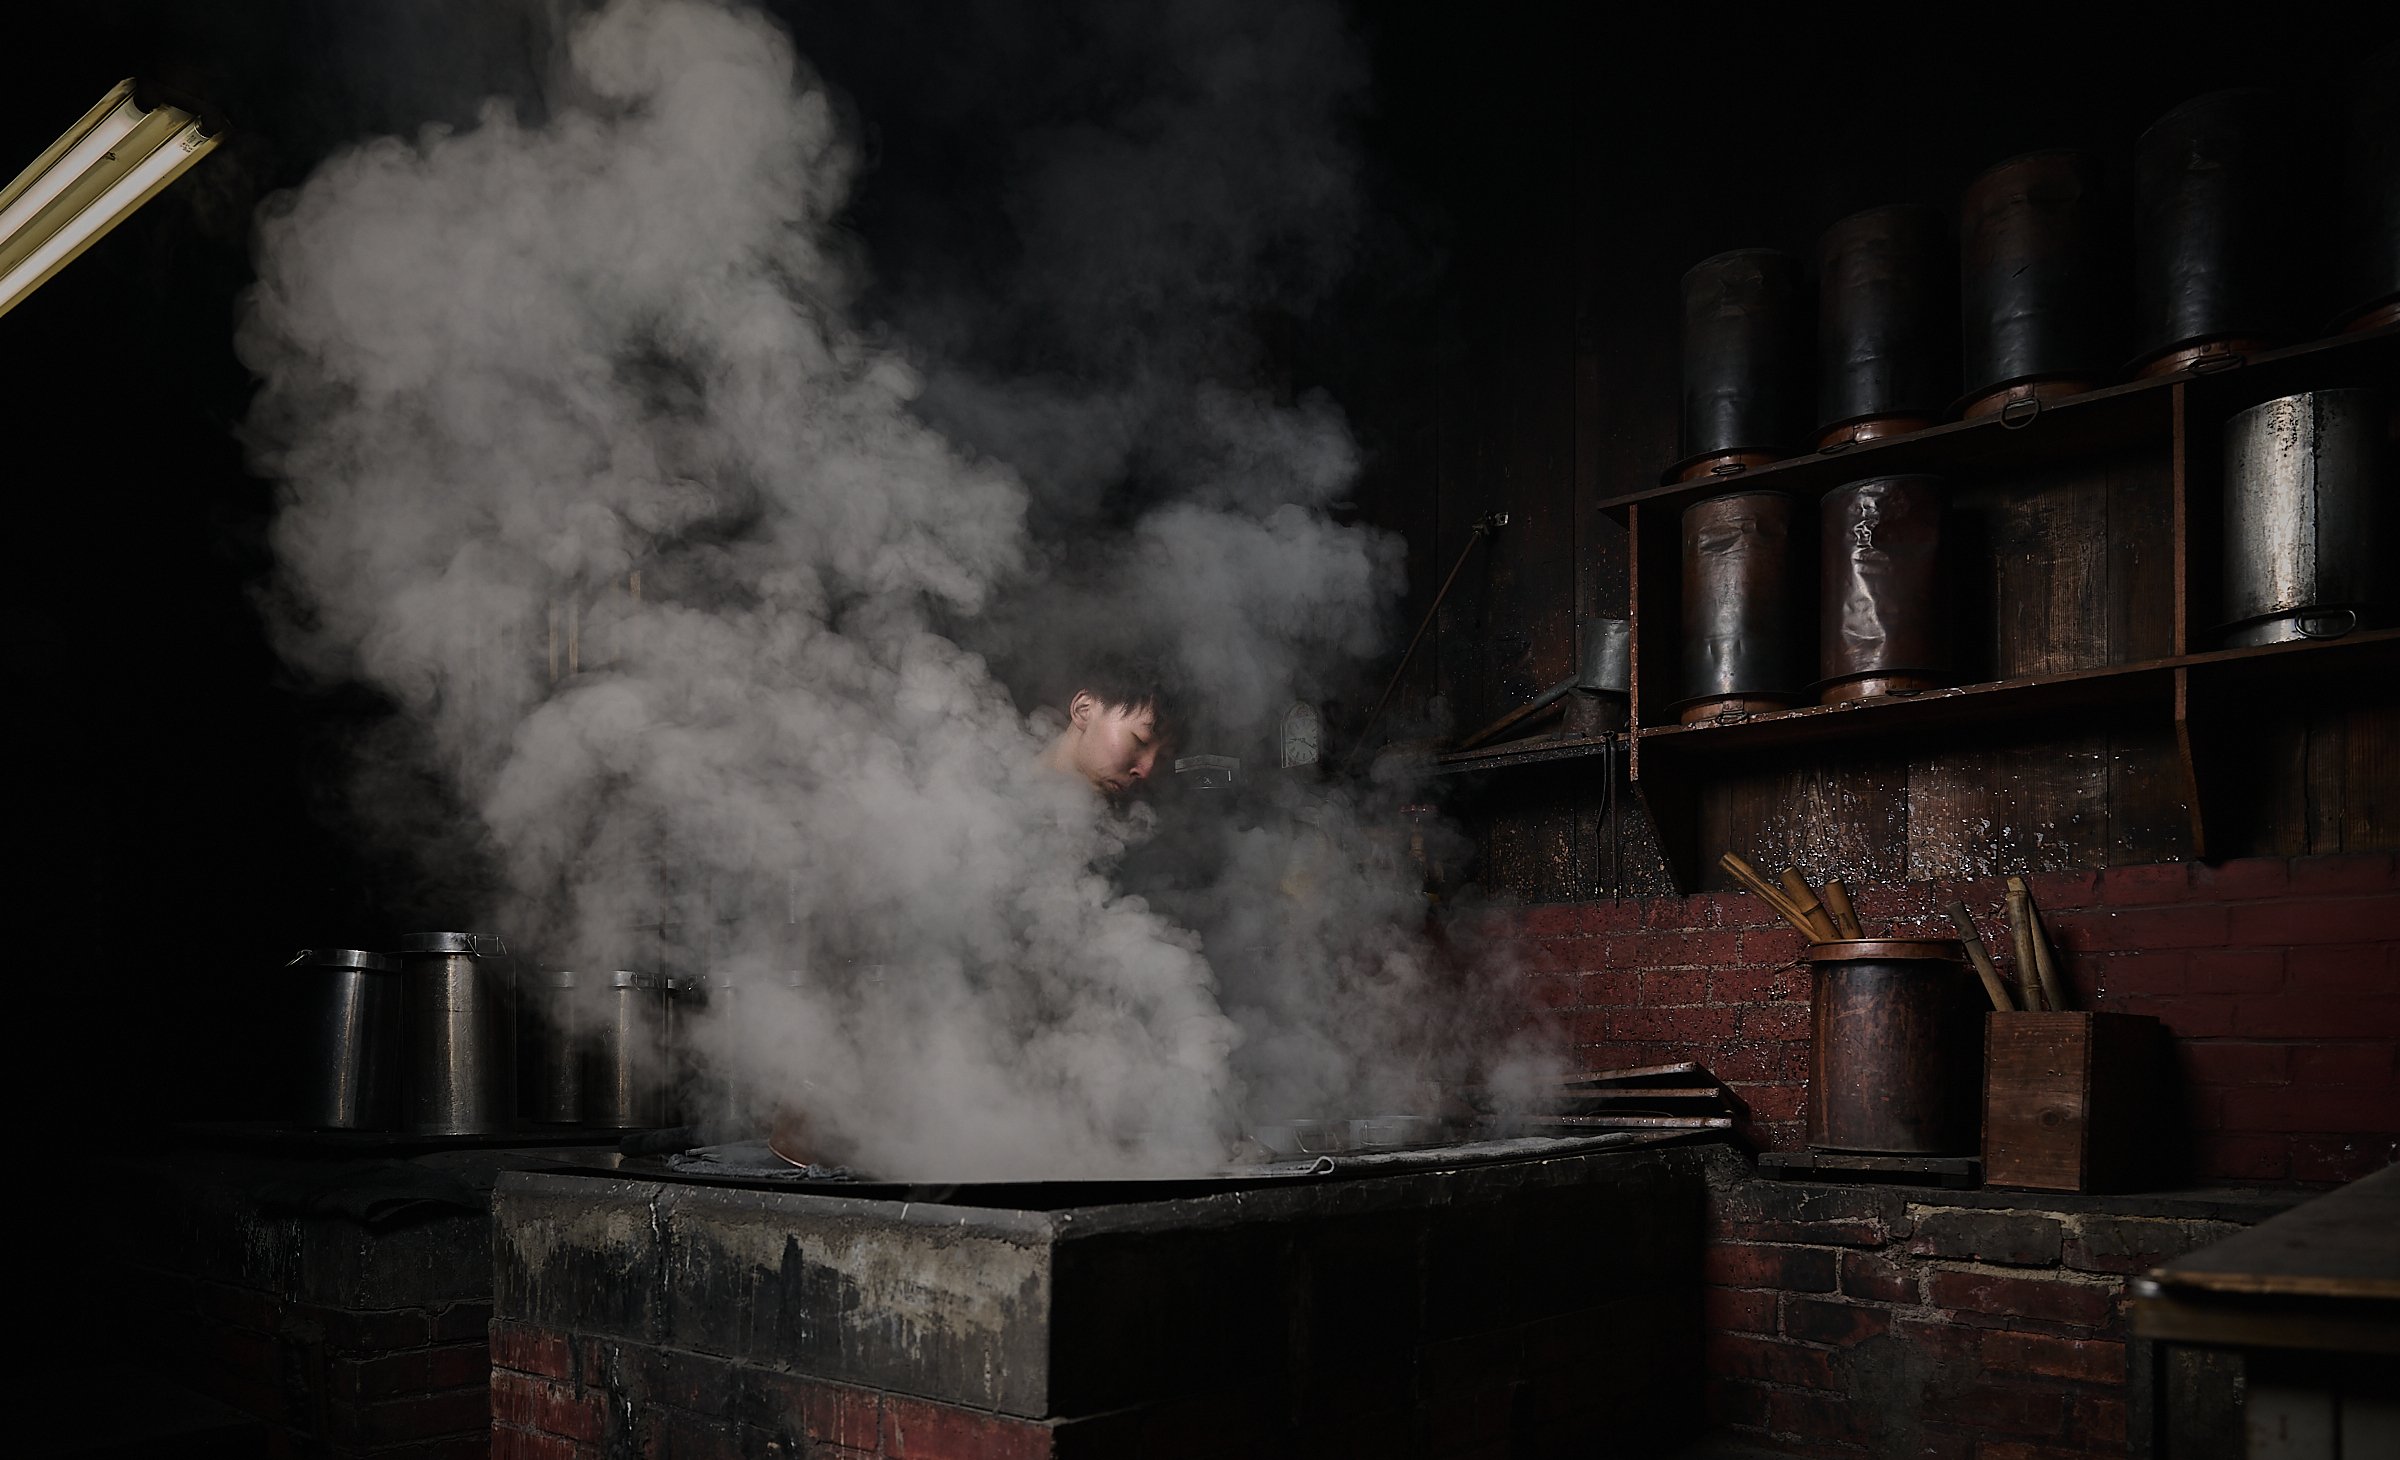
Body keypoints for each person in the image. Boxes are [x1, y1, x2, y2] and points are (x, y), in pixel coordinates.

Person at [1040, 663, 1175, 797]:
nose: (1146, 771)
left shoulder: (1139, 814)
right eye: (1140, 741)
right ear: (1083, 709)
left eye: (1162, 757)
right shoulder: (1020, 795)